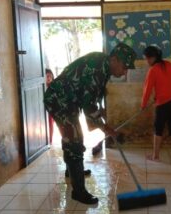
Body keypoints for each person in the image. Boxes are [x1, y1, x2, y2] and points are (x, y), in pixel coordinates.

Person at [44, 43, 137, 204]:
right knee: (75, 141)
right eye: (124, 66)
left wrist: (101, 115)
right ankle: (78, 192)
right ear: (114, 59)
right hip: (59, 100)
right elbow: (89, 106)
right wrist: (106, 128)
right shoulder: (97, 70)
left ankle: (71, 171)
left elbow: (94, 95)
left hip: (70, 101)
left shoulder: (104, 65)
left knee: (71, 137)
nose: (124, 72)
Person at [141, 46, 171, 161]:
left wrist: (143, 105)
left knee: (158, 128)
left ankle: (155, 156)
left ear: (152, 58)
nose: (147, 61)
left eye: (147, 59)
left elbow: (147, 90)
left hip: (163, 103)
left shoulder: (153, 70)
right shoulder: (169, 65)